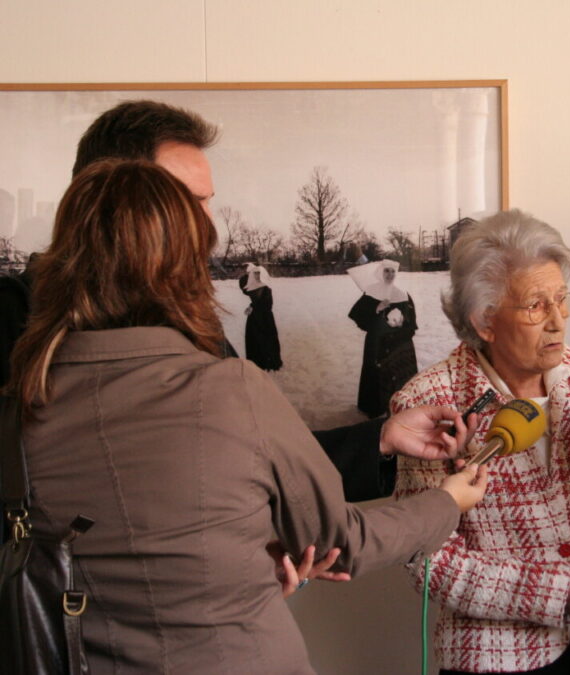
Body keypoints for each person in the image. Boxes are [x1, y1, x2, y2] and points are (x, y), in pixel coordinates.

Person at [5, 159, 489, 672]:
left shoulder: (21, 404)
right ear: (181, 265)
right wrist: (447, 502)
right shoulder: (228, 388)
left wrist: (242, 570)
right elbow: (340, 544)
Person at [0, 99, 415, 511]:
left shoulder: (188, 322)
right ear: (113, 195)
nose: (209, 226)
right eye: (187, 202)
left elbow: (258, 457)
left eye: (207, 201)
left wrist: (381, 440)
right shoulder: (9, 318)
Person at [393, 210, 570, 674]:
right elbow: (425, 557)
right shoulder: (429, 400)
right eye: (536, 306)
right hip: (501, 657)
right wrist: (560, 591)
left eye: (563, 300)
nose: (559, 322)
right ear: (485, 321)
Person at [348, 259, 418, 418]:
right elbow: (358, 316)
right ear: (381, 272)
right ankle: (374, 408)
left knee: (399, 373)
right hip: (377, 341)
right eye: (387, 271)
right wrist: (376, 309)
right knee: (376, 373)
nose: (390, 274)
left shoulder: (402, 293)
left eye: (393, 271)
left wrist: (402, 322)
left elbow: (412, 320)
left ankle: (400, 406)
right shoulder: (371, 292)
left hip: (399, 342)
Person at [239, 263, 283, 371]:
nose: (257, 276)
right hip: (256, 318)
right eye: (255, 274)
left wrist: (252, 306)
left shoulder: (265, 288)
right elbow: (243, 287)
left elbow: (266, 305)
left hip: (264, 318)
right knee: (255, 341)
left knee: (267, 340)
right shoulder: (254, 287)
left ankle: (270, 362)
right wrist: (248, 273)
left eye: (259, 274)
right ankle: (259, 362)